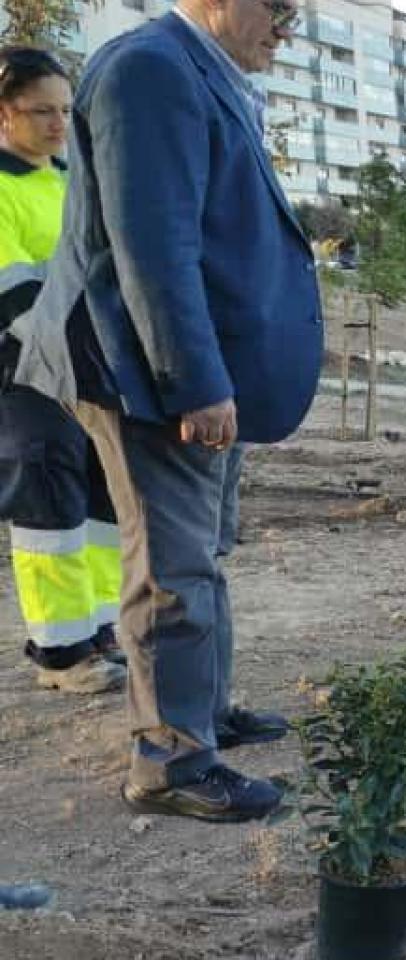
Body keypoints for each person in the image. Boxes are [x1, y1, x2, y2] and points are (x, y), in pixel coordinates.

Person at [5, 0, 321, 822]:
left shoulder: (199, 71)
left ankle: (203, 712)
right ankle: (171, 757)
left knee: (202, 550)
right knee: (171, 564)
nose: (289, 23)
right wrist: (194, 380)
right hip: (143, 370)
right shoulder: (148, 70)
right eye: (278, 5)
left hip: (193, 364)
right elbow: (152, 244)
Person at [0, 46, 126, 695]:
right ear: (4, 113)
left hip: (87, 365)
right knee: (48, 499)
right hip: (24, 372)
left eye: (64, 110)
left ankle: (100, 628)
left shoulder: (72, 176)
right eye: (40, 111)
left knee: (102, 499)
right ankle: (60, 651)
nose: (57, 124)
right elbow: (14, 294)